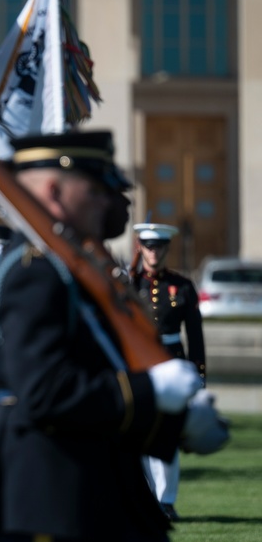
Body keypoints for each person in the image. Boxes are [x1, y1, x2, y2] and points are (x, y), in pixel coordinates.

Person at [0, 131, 228, 541]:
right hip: (54, 500)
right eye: (95, 189)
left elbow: (94, 381)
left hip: (90, 490)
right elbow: (47, 392)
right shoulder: (34, 275)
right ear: (55, 190)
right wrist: (151, 391)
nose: (107, 201)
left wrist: (174, 422)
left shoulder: (68, 269)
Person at [132, 222, 206, 523]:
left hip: (172, 364)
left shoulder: (182, 285)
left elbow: (196, 336)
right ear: (141, 249)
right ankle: (144, 497)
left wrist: (198, 375)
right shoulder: (129, 283)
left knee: (168, 436)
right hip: (138, 365)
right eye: (148, 246)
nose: (154, 252)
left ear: (166, 249)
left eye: (159, 246)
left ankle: (166, 500)